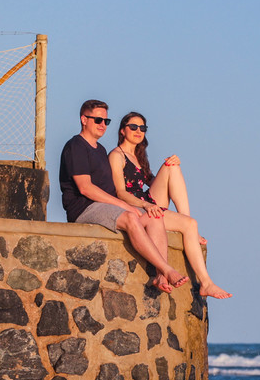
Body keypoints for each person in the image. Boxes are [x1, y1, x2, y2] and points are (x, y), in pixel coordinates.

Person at [59, 99, 187, 293]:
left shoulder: (100, 150)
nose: (103, 125)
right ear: (84, 120)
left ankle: (160, 276)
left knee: (154, 216)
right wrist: (125, 206)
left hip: (106, 206)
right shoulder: (76, 146)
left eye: (106, 121)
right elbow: (86, 188)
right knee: (129, 217)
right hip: (85, 208)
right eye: (98, 120)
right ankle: (167, 269)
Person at [109, 111, 231, 299]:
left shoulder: (139, 156)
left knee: (172, 166)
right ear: (123, 131)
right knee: (190, 225)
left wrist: (169, 165)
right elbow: (120, 192)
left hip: (148, 200)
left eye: (142, 128)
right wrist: (146, 205)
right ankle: (206, 283)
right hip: (137, 206)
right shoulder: (117, 156)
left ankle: (187, 219)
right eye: (133, 127)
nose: (138, 131)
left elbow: (150, 181)